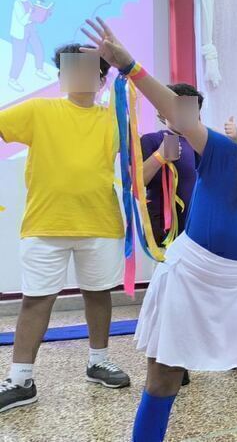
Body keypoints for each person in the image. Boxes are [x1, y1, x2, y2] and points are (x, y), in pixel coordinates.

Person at [78, 17, 237, 441]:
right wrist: (129, 64)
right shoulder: (222, 155)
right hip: (189, 278)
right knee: (163, 379)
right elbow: (178, 112)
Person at [0, 43, 129, 414]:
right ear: (61, 77)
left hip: (100, 222)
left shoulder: (115, 117)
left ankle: (98, 361)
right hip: (46, 223)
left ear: (101, 80)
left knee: (98, 294)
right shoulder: (39, 110)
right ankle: (21, 379)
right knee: (36, 299)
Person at [139, 82, 204, 387]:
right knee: (167, 297)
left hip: (198, 230)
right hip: (166, 231)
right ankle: (166, 360)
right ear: (161, 110)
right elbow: (137, 181)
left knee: (193, 297)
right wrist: (160, 157)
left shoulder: (201, 143)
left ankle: (186, 355)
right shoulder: (151, 140)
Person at [7, 0, 48, 92]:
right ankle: (12, 79)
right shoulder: (17, 4)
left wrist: (43, 12)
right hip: (20, 34)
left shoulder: (29, 3)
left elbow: (34, 18)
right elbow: (23, 21)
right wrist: (31, 11)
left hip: (31, 31)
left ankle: (39, 69)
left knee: (38, 49)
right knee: (19, 57)